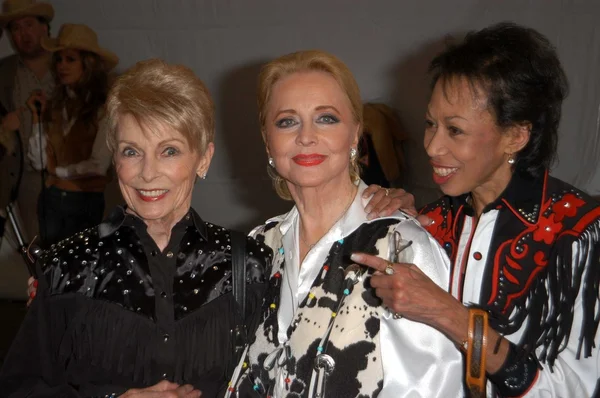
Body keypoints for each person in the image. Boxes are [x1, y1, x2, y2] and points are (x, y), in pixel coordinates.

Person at [2, 58, 402, 397]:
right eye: (131, 151)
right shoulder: (69, 265)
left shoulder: (251, 261)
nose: (147, 173)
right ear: (114, 160)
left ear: (203, 158)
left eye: (169, 151)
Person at [353, 22, 600, 397]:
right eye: (431, 124)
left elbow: (578, 389)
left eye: (455, 130)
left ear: (516, 136)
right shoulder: (433, 222)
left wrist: (450, 315)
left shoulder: (580, 232)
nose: (432, 146)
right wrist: (397, 221)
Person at [225, 50, 463, 398]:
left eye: (326, 119)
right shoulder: (258, 245)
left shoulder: (400, 245)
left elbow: (437, 386)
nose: (306, 136)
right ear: (267, 141)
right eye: (287, 121)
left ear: (355, 135)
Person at [26, 23, 117, 246]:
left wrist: (57, 170)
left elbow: (98, 165)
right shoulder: (56, 106)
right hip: (52, 200)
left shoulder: (104, 108)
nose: (62, 66)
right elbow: (38, 161)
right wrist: (37, 118)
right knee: (51, 272)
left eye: (70, 59)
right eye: (59, 60)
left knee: (81, 271)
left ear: (88, 64)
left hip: (85, 202)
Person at [0, 0, 54, 242]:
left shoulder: (69, 62)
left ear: (44, 26)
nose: (23, 34)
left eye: (29, 25)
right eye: (15, 28)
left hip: (72, 178)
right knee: (37, 249)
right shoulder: (4, 71)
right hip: (26, 178)